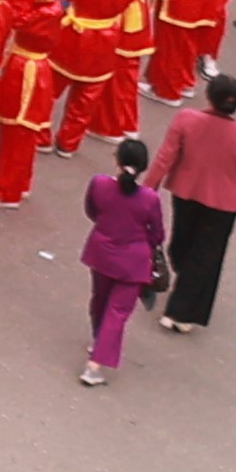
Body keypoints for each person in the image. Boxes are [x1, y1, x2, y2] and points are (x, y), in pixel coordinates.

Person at [148, 71, 236, 333]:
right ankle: (187, 308)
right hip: (224, 203)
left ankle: (179, 308)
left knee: (181, 244)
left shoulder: (187, 119)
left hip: (186, 191)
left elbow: (166, 156)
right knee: (206, 255)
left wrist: (149, 187)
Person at [78, 139, 166, 382]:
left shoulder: (99, 184)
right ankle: (94, 365)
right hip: (133, 263)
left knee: (100, 300)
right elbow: (158, 233)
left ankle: (98, 340)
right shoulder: (149, 199)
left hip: (101, 252)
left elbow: (92, 211)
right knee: (117, 312)